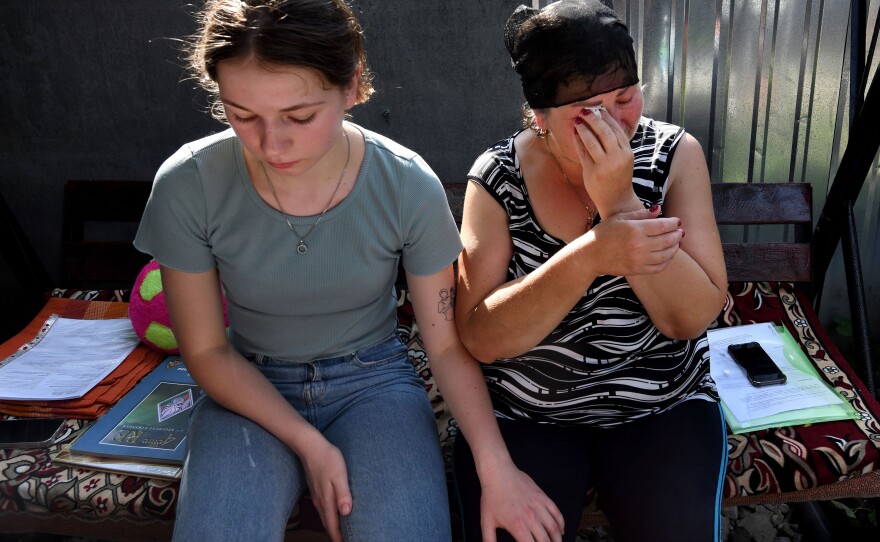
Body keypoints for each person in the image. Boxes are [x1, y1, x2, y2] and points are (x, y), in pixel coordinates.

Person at [135, 1, 562, 541]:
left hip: (374, 384)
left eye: (299, 116)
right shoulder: (187, 183)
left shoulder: (407, 184)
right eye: (241, 115)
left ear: (352, 85)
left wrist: (494, 464)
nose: (271, 144)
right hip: (245, 383)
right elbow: (206, 351)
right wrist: (310, 445)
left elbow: (447, 346)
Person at [452, 1, 730, 541]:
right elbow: (481, 337)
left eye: (624, 99)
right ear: (539, 116)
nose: (610, 123)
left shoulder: (674, 155)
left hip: (661, 402)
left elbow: (690, 318)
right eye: (584, 110)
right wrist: (590, 256)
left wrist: (619, 202)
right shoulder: (497, 176)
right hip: (529, 411)